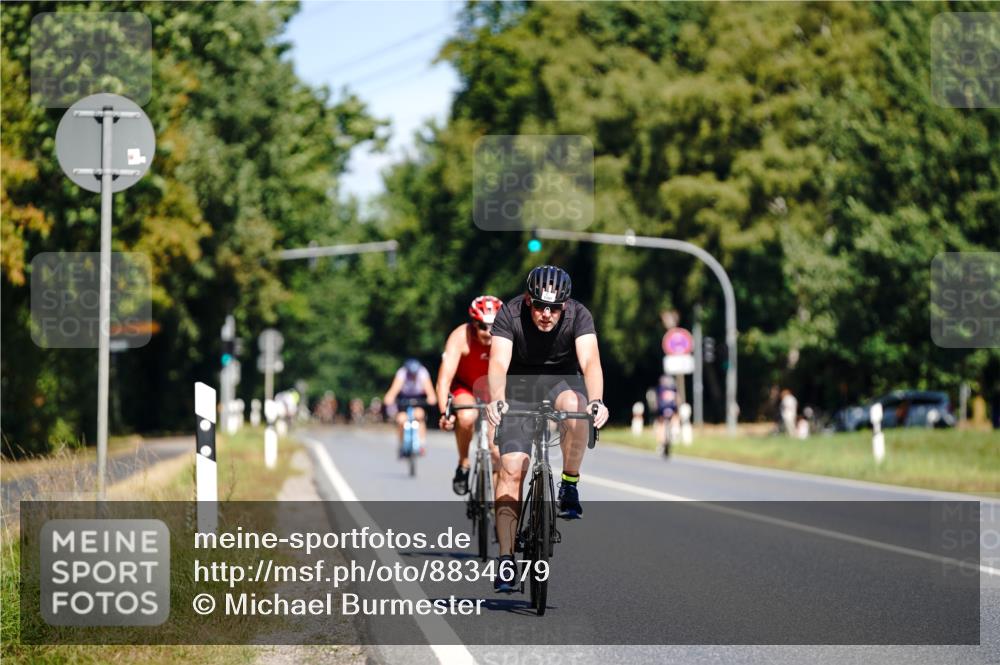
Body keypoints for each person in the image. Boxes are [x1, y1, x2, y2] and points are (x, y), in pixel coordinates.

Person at [485, 265, 609, 591]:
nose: (546, 314)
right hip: (519, 389)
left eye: (554, 308)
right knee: (511, 470)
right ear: (528, 300)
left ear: (565, 306)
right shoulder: (509, 313)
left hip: (561, 383)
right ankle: (507, 559)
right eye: (539, 305)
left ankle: (569, 484)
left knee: (576, 407)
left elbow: (591, 361)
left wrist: (596, 400)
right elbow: (498, 362)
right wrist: (497, 398)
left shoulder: (579, 315)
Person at [437, 295, 503, 495]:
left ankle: (495, 505)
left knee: (497, 450)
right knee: (466, 417)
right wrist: (444, 413)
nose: (489, 332)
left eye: (495, 326)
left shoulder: (506, 338)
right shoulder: (460, 337)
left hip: (495, 390)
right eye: (483, 326)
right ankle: (464, 463)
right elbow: (443, 380)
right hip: (465, 387)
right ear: (474, 323)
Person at [384, 358, 437, 455]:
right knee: (401, 419)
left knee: (419, 415)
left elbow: (430, 391)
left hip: (418, 398)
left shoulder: (422, 373)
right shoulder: (402, 373)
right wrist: (389, 398)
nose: (413, 375)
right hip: (404, 398)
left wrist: (431, 397)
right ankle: (401, 444)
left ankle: (421, 444)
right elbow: (394, 390)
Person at [654, 374, 679, 457]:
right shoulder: (673, 388)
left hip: (663, 410)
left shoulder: (660, 388)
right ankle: (674, 433)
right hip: (670, 409)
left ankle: (661, 442)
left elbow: (657, 400)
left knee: (660, 425)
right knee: (674, 419)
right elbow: (677, 399)